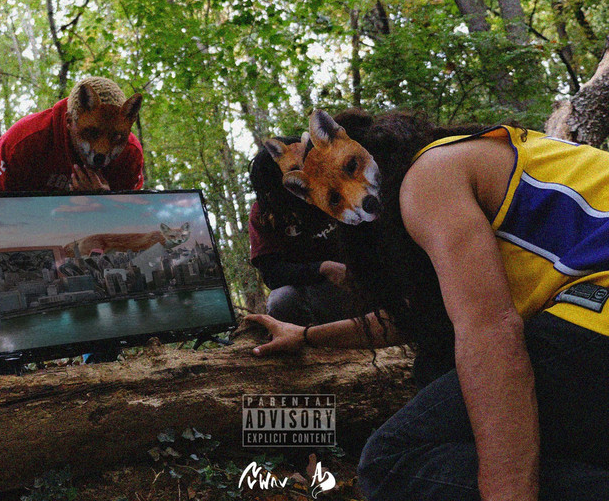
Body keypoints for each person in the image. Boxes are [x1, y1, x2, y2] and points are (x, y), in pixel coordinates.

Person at [247, 109, 609, 501]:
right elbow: (417, 319)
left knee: (392, 461)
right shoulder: (467, 155)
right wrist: (306, 336)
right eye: (333, 196)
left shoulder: (429, 177)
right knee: (442, 373)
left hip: (596, 306)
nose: (357, 195)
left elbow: (489, 332)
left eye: (351, 167)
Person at [248, 136, 354, 326]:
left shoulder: (334, 188)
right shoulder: (264, 213)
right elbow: (272, 273)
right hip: (313, 289)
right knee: (281, 300)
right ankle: (310, 337)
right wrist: (322, 268)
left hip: (357, 281)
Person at [0, 76, 143, 193]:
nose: (102, 149)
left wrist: (105, 202)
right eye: (92, 133)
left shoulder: (130, 155)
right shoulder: (26, 140)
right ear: (69, 121)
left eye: (115, 137)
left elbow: (132, 222)